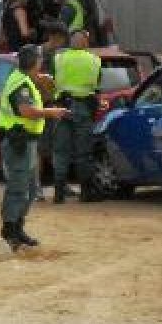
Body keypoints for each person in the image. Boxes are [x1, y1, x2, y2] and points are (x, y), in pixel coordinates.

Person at [0, 44, 69, 250]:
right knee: (18, 188)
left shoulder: (24, 79)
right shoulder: (20, 83)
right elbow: (26, 110)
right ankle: (9, 230)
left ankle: (18, 228)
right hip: (18, 141)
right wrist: (52, 112)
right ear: (35, 62)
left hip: (26, 141)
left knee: (28, 189)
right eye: (39, 59)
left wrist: (43, 81)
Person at [51, 30, 103, 203]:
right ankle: (86, 192)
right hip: (83, 108)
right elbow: (97, 85)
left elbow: (52, 82)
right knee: (83, 152)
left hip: (62, 107)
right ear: (86, 43)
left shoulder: (59, 58)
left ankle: (59, 193)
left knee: (60, 151)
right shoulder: (94, 60)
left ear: (70, 42)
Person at [37, 22, 69, 201]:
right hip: (40, 108)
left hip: (55, 106)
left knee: (58, 147)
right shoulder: (37, 54)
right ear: (55, 37)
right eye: (63, 40)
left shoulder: (60, 56)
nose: (64, 44)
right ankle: (37, 188)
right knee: (40, 150)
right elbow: (34, 78)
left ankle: (61, 184)